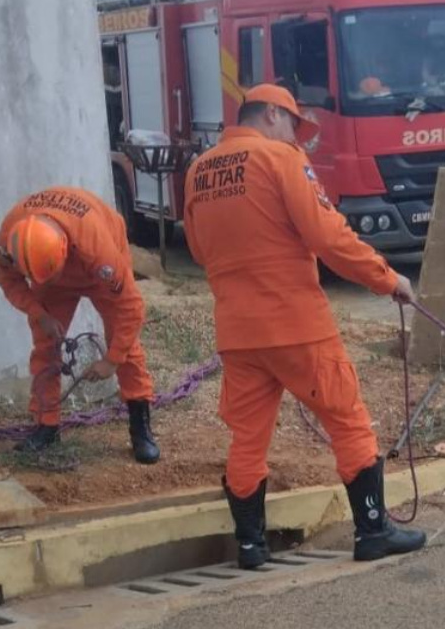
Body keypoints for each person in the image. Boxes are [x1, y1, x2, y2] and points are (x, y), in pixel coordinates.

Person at [183, 84, 426, 567]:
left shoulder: (197, 172)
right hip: (297, 326)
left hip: (238, 330)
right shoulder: (282, 160)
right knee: (347, 419)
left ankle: (251, 546)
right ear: (273, 114)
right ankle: (372, 530)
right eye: (295, 125)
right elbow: (327, 235)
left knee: (248, 439)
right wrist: (387, 278)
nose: (298, 137)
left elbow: (197, 250)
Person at [0, 187, 159, 463]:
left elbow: (130, 308)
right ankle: (46, 426)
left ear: (64, 250)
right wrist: (38, 312)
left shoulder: (98, 249)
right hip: (50, 273)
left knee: (124, 342)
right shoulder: (7, 244)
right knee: (46, 347)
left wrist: (112, 360)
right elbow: (8, 280)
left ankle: (140, 426)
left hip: (94, 267)